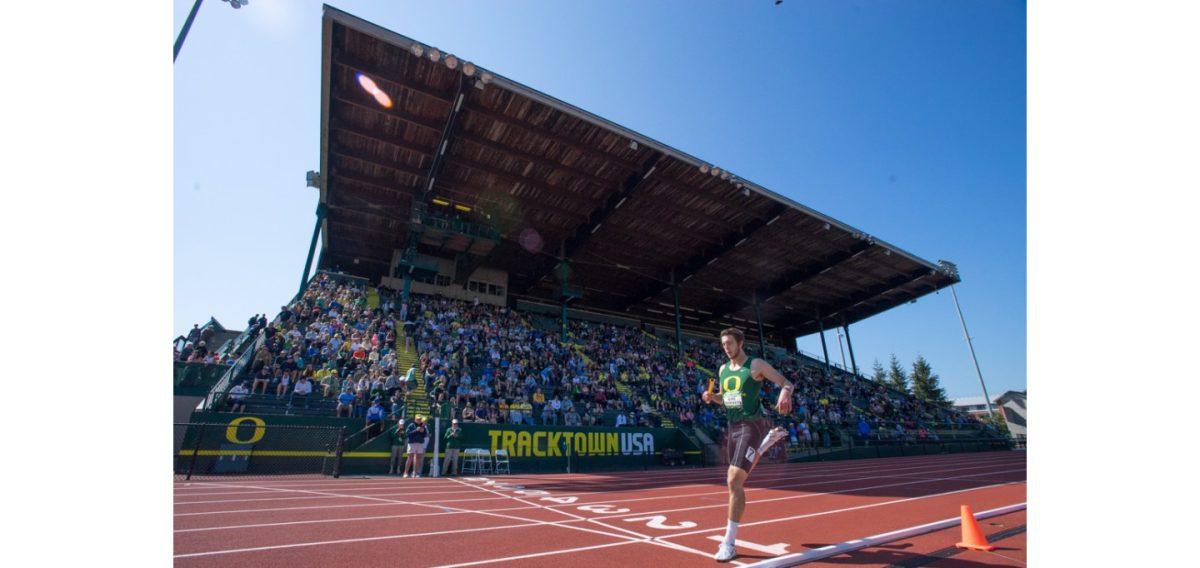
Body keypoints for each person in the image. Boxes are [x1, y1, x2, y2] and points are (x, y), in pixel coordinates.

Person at [701, 327, 793, 562]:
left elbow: (786, 382)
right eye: (723, 344)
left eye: (729, 343)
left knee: (733, 480)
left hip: (751, 425)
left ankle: (729, 542)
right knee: (738, 477)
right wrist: (713, 398)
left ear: (740, 343)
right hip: (732, 427)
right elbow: (726, 399)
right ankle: (763, 447)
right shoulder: (722, 369)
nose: (726, 347)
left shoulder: (755, 365)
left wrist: (784, 394)